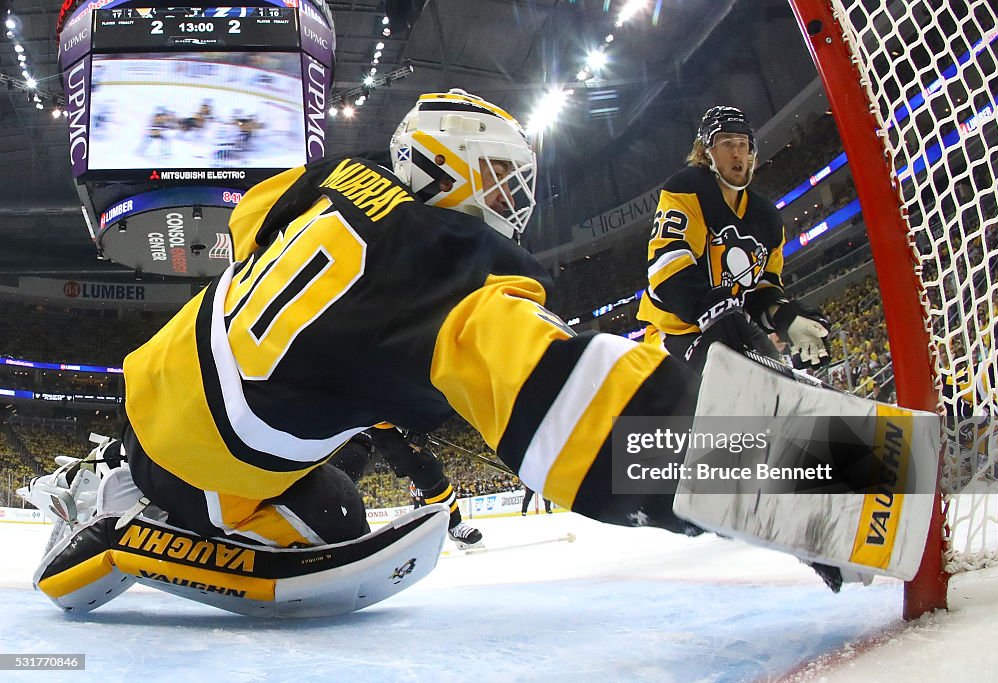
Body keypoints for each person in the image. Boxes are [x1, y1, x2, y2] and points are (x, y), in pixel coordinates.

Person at [23, 90, 898, 617]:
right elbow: (577, 413)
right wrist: (797, 476)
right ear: (453, 173)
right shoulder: (451, 275)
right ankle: (141, 511)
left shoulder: (326, 179)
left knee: (350, 420)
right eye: (506, 185)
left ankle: (111, 468)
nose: (514, 208)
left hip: (151, 382)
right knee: (336, 517)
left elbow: (250, 222)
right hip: (217, 465)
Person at [636, 105, 831, 370]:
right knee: (729, 384)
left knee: (767, 379)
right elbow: (667, 266)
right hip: (672, 331)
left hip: (727, 327)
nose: (737, 152)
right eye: (726, 143)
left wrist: (786, 317)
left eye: (743, 144)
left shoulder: (768, 218)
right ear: (706, 152)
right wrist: (715, 313)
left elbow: (762, 288)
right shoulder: (688, 188)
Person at [331, 425, 484, 546]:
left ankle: (454, 522)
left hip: (385, 417)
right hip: (351, 423)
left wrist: (416, 423)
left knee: (426, 466)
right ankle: (337, 537)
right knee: (342, 469)